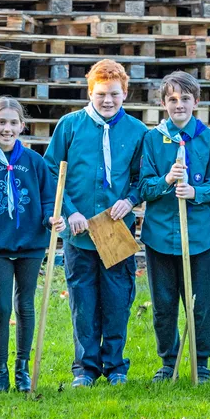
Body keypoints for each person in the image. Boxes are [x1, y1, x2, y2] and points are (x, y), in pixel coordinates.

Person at [43, 59, 145, 388]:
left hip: (116, 230)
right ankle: (85, 368)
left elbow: (142, 177)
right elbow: (51, 171)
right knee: (83, 300)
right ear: (90, 93)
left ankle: (115, 366)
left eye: (114, 94)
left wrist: (130, 199)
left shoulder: (137, 131)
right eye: (101, 94)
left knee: (117, 299)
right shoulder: (70, 126)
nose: (107, 100)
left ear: (125, 93)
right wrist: (69, 210)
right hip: (80, 232)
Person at [0, 97, 65, 393]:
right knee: (1, 307)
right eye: (1, 122)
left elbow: (48, 199)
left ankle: (22, 368)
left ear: (22, 126)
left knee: (25, 304)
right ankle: (0, 371)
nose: (7, 129)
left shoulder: (35, 162)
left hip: (30, 246)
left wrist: (51, 218)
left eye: (13, 123)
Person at [137, 71, 210, 384]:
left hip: (197, 236)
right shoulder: (153, 139)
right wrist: (166, 180)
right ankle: (168, 362)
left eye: (185, 99)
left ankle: (201, 363)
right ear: (164, 103)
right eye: (173, 99)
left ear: (196, 102)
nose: (179, 105)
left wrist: (195, 192)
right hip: (160, 235)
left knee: (199, 304)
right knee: (163, 304)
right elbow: (143, 187)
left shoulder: (209, 139)